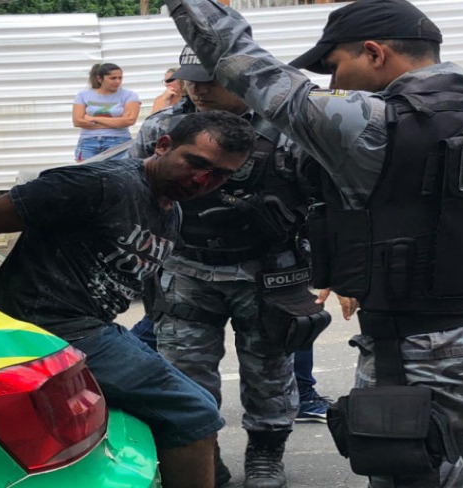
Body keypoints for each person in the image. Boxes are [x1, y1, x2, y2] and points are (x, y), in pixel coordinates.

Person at [163, 0, 463, 487]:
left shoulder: (371, 124)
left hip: (414, 358)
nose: (333, 82)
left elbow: (240, 61)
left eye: (336, 65)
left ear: (375, 52)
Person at [0, 111, 257, 488]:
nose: (203, 180)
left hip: (93, 330)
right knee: (195, 412)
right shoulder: (103, 184)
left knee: (185, 408)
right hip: (51, 328)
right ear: (163, 145)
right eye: (195, 163)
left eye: (220, 175)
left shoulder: (172, 211)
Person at [128, 45, 332, 488]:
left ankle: (265, 454)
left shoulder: (286, 129)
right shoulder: (163, 126)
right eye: (190, 78)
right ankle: (205, 458)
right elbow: (137, 192)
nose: (197, 88)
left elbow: (324, 203)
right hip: (186, 269)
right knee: (184, 374)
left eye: (210, 79)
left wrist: (331, 271)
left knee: (270, 372)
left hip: (268, 273)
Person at [72, 62, 141, 162]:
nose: (117, 81)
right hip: (88, 142)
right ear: (100, 79)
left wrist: (93, 118)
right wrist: (117, 122)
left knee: (118, 174)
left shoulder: (129, 95)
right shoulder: (83, 95)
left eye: (120, 78)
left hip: (119, 141)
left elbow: (129, 121)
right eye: (113, 78)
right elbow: (77, 121)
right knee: (86, 175)